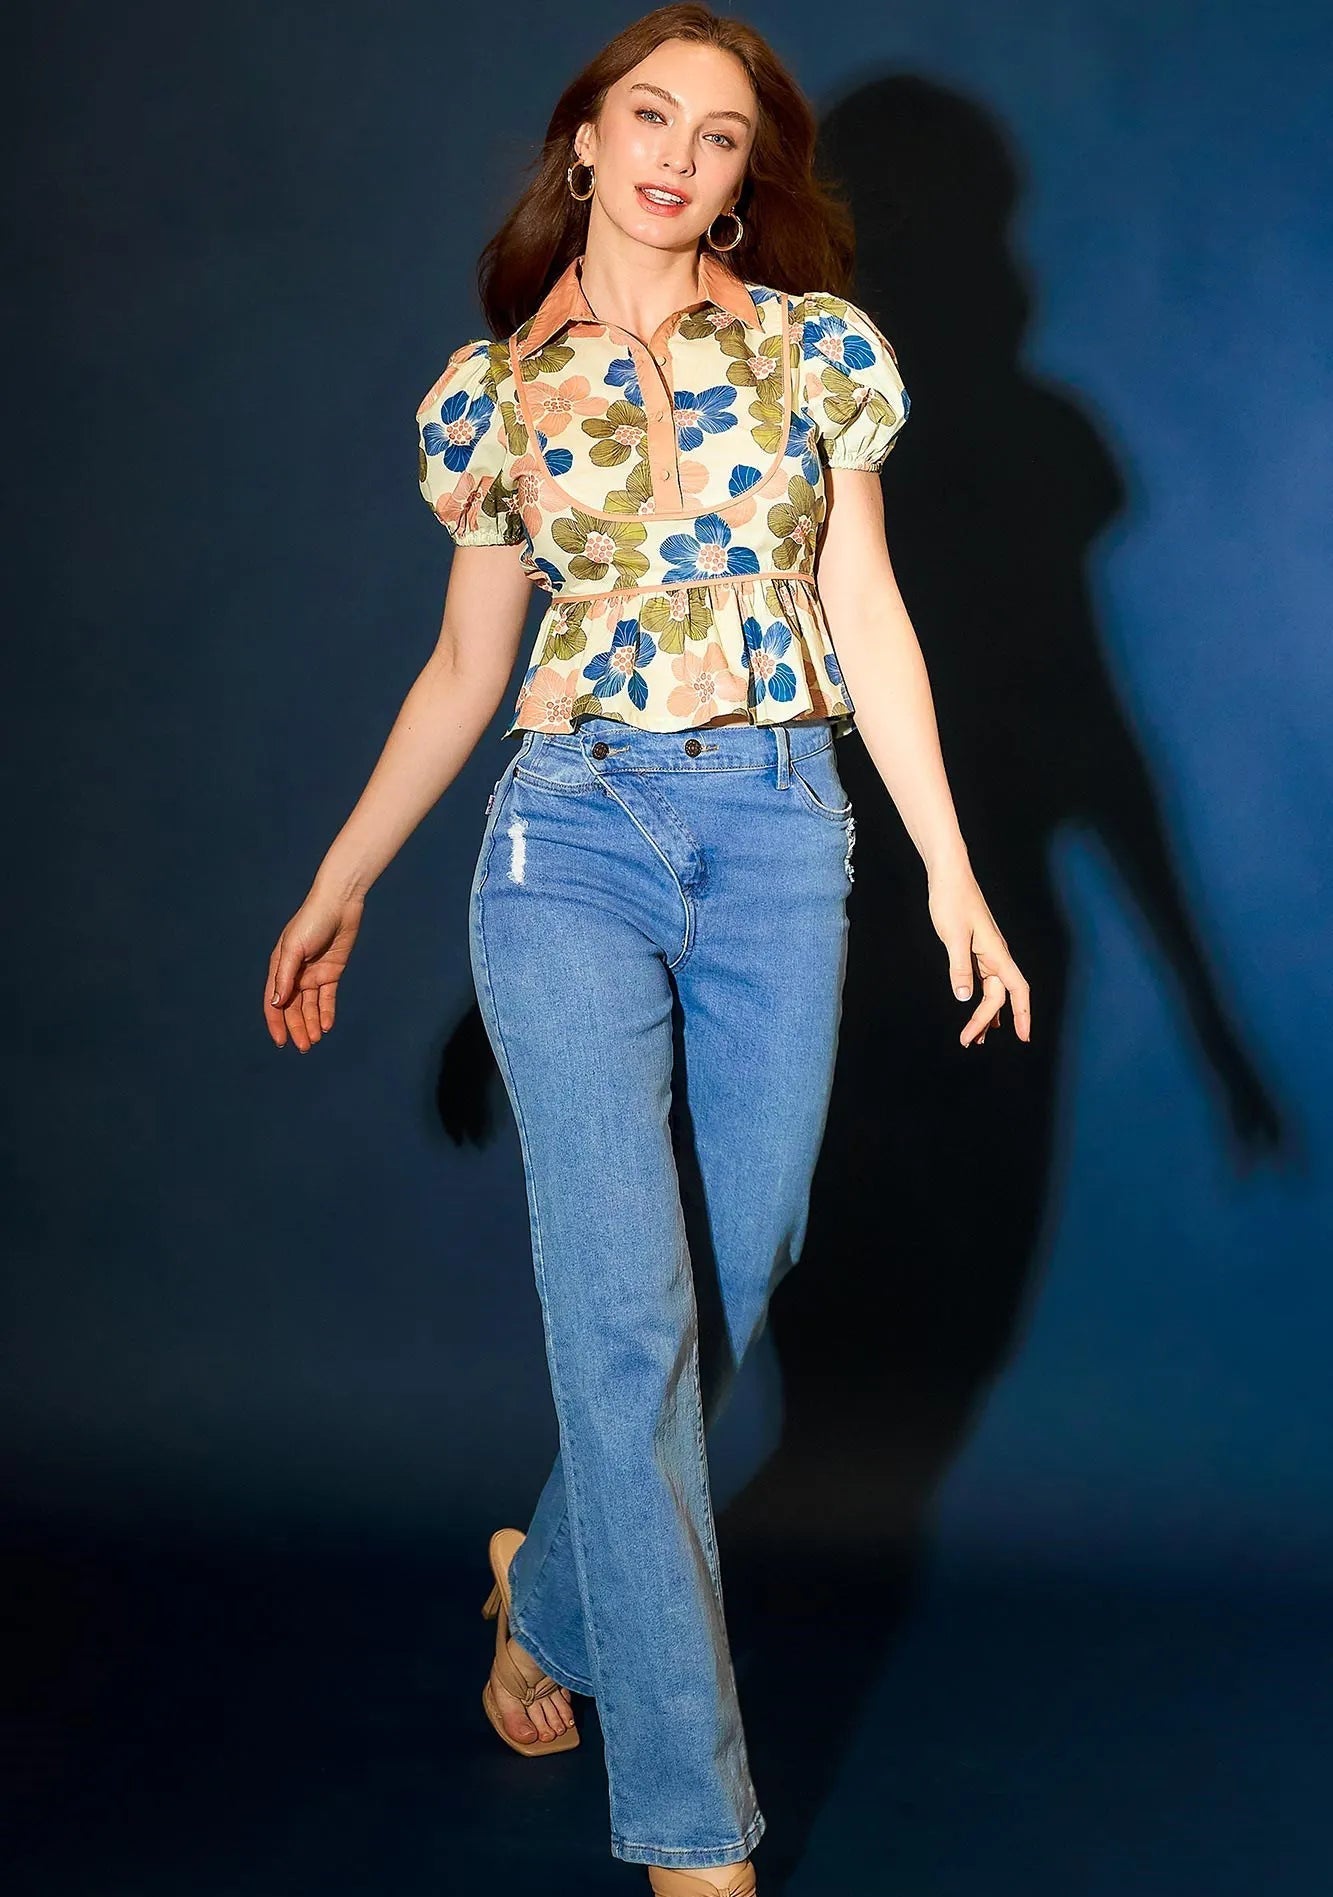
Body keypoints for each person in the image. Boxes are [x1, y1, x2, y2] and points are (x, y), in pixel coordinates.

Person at [263, 6, 1030, 1890]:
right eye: (648, 115)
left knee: (737, 1263)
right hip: (569, 837)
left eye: (719, 132)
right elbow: (465, 667)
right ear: (586, 142)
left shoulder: (814, 353)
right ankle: (695, 1835)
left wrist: (951, 867)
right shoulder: (494, 397)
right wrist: (344, 877)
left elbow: (866, 608)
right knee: (623, 1323)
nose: (680, 154)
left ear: (747, 172)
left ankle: (546, 1590)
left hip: (780, 828)